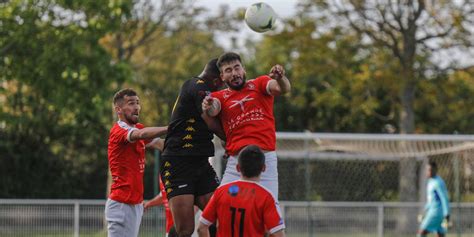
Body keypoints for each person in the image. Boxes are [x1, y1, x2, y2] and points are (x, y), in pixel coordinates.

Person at [202, 52, 291, 201]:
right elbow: (213, 108)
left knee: (269, 211)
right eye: (228, 70)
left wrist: (280, 78)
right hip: (236, 163)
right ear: (222, 77)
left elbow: (283, 89)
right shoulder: (219, 97)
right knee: (222, 203)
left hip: (264, 161)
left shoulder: (260, 83)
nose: (234, 73)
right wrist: (208, 104)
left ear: (244, 70)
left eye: (237, 68)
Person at [160, 58, 224, 237]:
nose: (224, 88)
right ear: (217, 80)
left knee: (221, 217)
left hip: (201, 163)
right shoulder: (197, 85)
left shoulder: (206, 90)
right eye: (223, 82)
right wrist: (232, 141)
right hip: (178, 163)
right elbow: (210, 120)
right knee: (185, 230)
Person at [105, 88, 168, 237]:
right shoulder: (119, 130)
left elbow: (161, 144)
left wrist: (190, 143)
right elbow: (141, 134)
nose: (136, 107)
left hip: (135, 203)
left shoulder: (137, 128)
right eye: (131, 103)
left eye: (138, 103)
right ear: (118, 110)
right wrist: (171, 127)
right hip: (122, 204)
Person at [197, 145, 286, 237]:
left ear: (238, 168)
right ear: (263, 168)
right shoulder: (266, 197)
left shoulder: (221, 192)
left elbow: (201, 228)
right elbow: (278, 234)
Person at [417, 161, 450, 237]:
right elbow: (431, 201)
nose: (429, 172)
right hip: (435, 212)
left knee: (421, 232)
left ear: (436, 170)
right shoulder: (431, 181)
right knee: (440, 234)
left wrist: (447, 214)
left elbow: (444, 198)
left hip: (436, 212)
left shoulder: (438, 182)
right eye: (427, 170)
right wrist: (424, 211)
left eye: (431, 170)